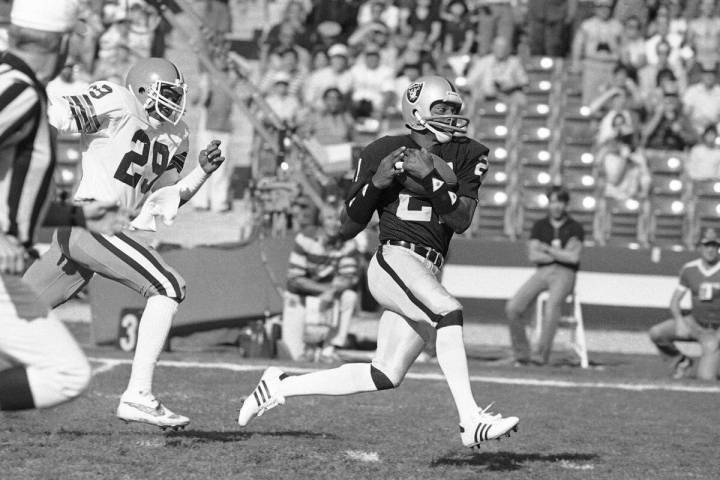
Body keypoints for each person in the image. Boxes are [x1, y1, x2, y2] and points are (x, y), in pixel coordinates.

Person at [237, 75, 519, 448]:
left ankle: (281, 383)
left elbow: (461, 220)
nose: (452, 117)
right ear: (417, 112)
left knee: (385, 373)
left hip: (429, 265)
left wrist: (431, 179)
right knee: (448, 311)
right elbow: (347, 226)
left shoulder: (470, 152)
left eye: (454, 109)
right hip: (394, 257)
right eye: (442, 109)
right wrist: (377, 183)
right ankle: (470, 418)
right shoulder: (381, 150)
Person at [22, 57, 226, 427]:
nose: (176, 102)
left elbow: (167, 197)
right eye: (168, 92)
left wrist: (202, 172)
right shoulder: (117, 99)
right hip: (89, 221)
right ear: (143, 89)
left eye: (178, 94)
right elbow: (59, 116)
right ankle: (137, 395)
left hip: (93, 232)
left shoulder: (177, 134)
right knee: (168, 286)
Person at [0, 0, 131, 411]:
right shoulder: (18, 90)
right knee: (65, 372)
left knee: (59, 369)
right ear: (59, 45)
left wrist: (78, 215)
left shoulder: (17, 84)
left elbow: (14, 199)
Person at [505, 186, 584, 366]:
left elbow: (573, 257)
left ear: (566, 204)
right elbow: (533, 255)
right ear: (549, 203)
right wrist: (560, 252)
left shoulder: (575, 227)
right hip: (542, 271)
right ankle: (522, 354)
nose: (556, 206)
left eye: (560, 202)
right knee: (513, 307)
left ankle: (540, 356)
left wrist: (547, 248)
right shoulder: (540, 226)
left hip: (566, 273)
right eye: (553, 201)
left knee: (551, 308)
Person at [279, 204, 359, 362]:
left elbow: (349, 277)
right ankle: (307, 348)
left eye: (339, 219)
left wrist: (333, 290)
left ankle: (329, 349)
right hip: (300, 296)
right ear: (320, 220)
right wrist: (326, 289)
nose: (335, 223)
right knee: (294, 356)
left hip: (329, 296)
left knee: (349, 296)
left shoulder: (348, 243)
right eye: (330, 218)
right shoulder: (305, 239)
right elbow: (295, 279)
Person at [649, 227, 720, 381]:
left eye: (714, 245)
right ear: (700, 247)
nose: (710, 249)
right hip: (695, 322)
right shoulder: (690, 269)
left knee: (706, 378)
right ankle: (681, 361)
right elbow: (675, 301)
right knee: (657, 332)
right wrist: (680, 321)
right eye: (707, 245)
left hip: (715, 329)